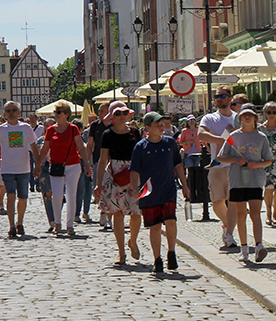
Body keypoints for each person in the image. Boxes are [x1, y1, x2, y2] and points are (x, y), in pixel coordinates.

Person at [129, 112, 191, 273]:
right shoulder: (140, 147)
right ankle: (157, 258)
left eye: (162, 124)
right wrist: (135, 189)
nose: (161, 127)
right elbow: (134, 171)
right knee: (155, 226)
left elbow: (178, 165)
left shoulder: (170, 143)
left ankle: (171, 252)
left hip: (168, 188)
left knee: (171, 221)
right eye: (157, 124)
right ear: (147, 128)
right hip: (149, 192)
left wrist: (185, 185)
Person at [218, 103, 274, 262]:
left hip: (255, 180)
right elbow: (221, 157)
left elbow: (268, 160)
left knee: (256, 213)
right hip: (237, 180)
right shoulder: (233, 136)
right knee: (241, 214)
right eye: (244, 115)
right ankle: (244, 248)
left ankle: (258, 246)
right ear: (240, 118)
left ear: (255, 118)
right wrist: (236, 159)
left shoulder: (261, 137)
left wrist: (257, 164)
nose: (247, 117)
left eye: (250, 115)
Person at [94, 101, 142, 266]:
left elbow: (142, 155)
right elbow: (102, 160)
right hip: (114, 175)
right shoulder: (107, 134)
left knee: (136, 213)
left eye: (124, 112)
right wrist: (98, 183)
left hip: (133, 174)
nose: (122, 116)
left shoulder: (135, 132)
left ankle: (133, 241)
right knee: (117, 213)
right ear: (112, 116)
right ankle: (121, 252)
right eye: (117, 113)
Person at [34, 101, 93, 236]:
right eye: (55, 112)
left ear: (66, 114)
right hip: (56, 166)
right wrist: (38, 165)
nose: (56, 115)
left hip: (73, 165)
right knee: (57, 195)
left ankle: (70, 225)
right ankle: (57, 223)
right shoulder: (50, 130)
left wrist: (87, 164)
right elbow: (44, 150)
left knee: (71, 194)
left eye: (59, 112)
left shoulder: (73, 129)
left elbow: (80, 147)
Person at [0, 101, 40, 237]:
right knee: (10, 196)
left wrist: (38, 165)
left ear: (19, 112)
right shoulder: (1, 130)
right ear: (5, 113)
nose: (11, 113)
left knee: (23, 197)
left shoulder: (26, 128)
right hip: (7, 168)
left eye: (14, 110)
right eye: (8, 111)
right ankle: (11, 225)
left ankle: (20, 222)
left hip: (24, 168)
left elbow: (34, 147)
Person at [198, 85, 238, 248]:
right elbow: (201, 134)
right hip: (217, 165)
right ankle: (227, 225)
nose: (219, 99)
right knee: (217, 202)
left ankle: (229, 236)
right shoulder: (210, 118)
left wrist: (234, 132)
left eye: (222, 96)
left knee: (234, 202)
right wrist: (222, 139)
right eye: (217, 97)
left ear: (230, 98)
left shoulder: (238, 117)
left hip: (235, 165)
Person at [86, 103, 111, 229]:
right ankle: (103, 210)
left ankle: (108, 214)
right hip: (98, 160)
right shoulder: (95, 125)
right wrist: (86, 159)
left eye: (103, 111)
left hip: (112, 161)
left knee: (111, 189)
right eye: (100, 111)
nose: (100, 114)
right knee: (98, 186)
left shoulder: (114, 125)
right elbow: (90, 144)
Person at [73, 119, 93, 224]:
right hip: (78, 164)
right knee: (80, 189)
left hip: (85, 163)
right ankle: (77, 213)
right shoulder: (74, 139)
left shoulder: (83, 138)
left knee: (88, 189)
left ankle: (85, 212)